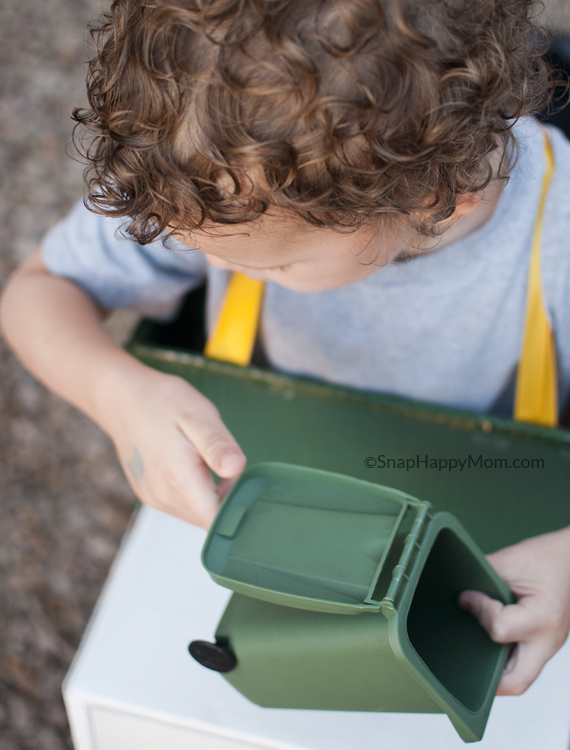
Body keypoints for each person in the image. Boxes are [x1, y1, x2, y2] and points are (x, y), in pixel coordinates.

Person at [1, 0, 570, 699]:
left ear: (440, 198)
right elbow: (38, 292)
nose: (220, 269)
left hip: (494, 545)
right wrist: (120, 392)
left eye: (274, 267)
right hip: (288, 517)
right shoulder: (211, 155)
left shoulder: (559, 241)